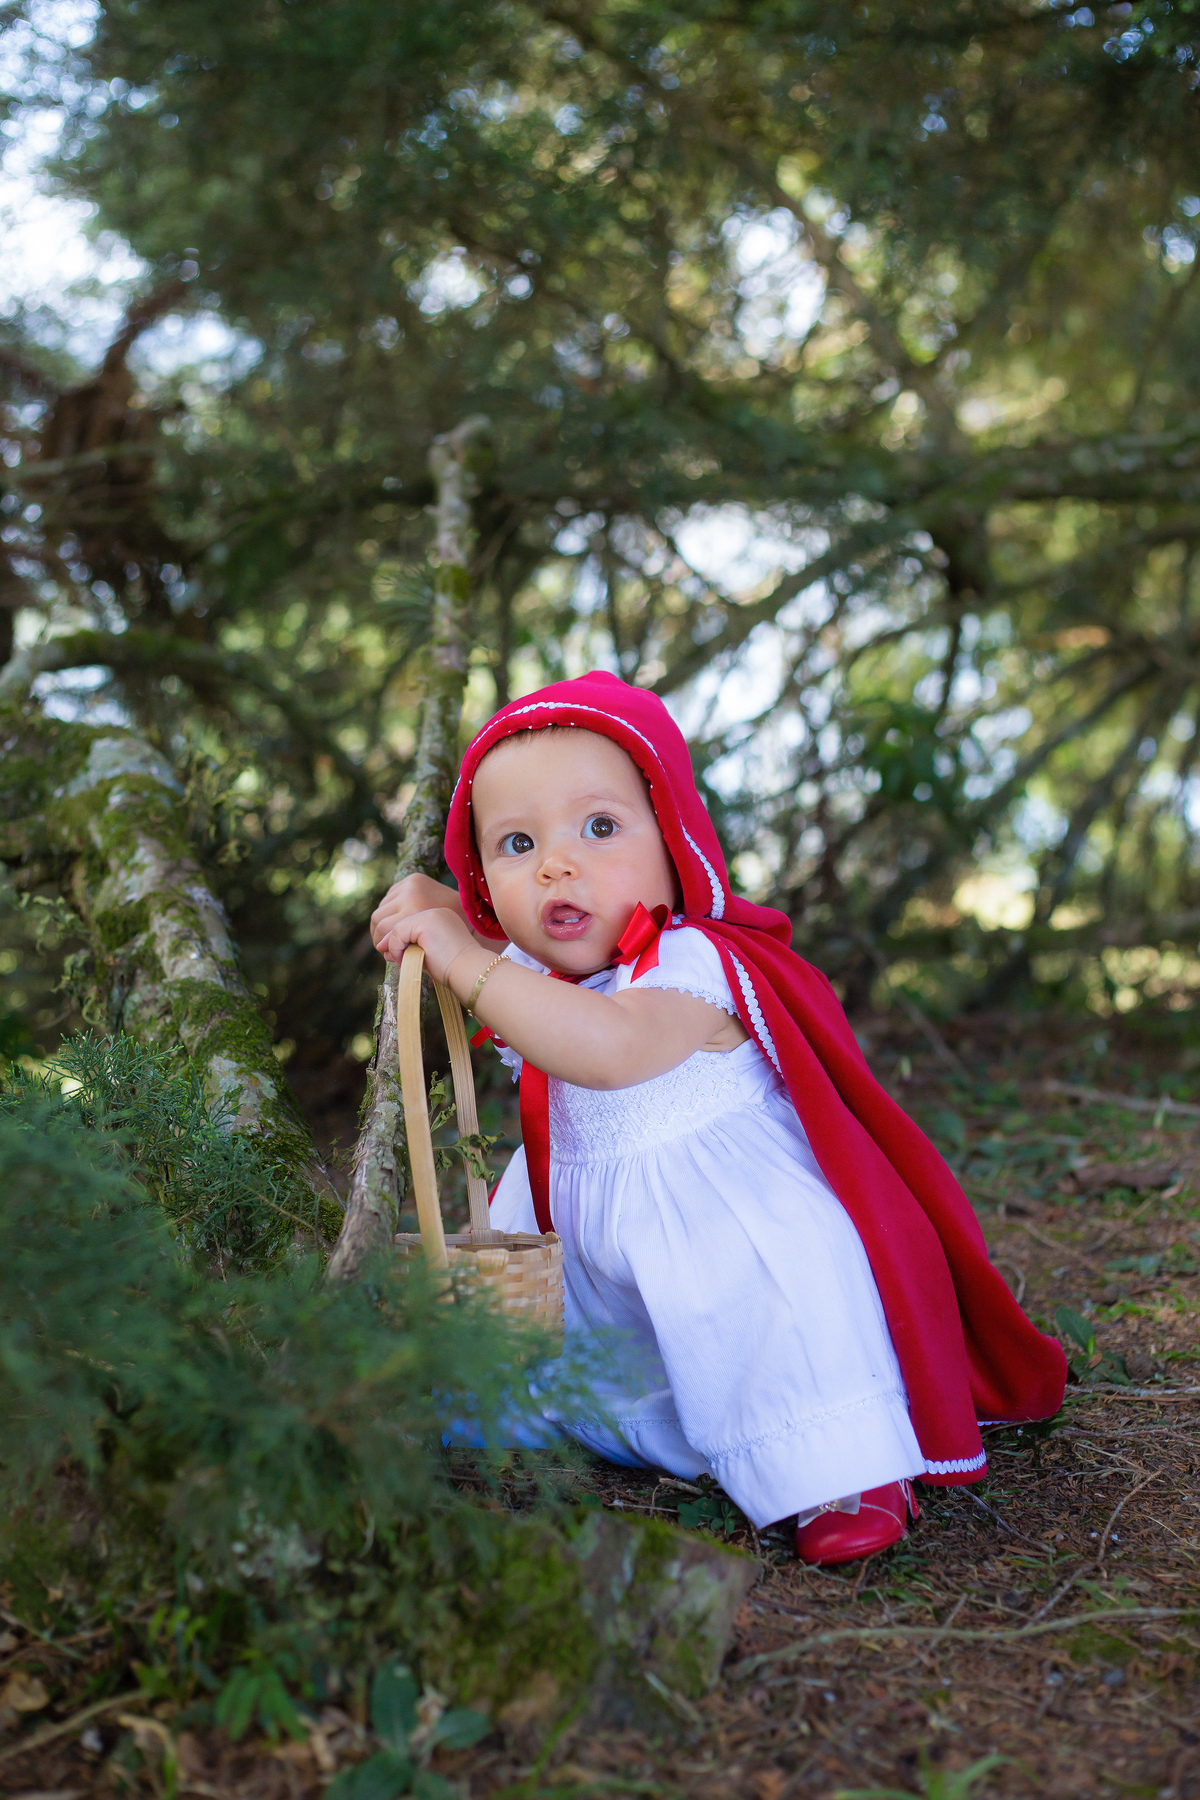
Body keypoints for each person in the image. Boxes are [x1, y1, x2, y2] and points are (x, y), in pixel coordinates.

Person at [370, 671, 1066, 1565]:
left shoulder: (691, 962)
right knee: (568, 1315)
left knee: (756, 1306)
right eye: (514, 843)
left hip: (717, 1221)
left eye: (600, 827)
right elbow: (524, 985)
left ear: (674, 841)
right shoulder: (542, 980)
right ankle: (577, 1411)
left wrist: (467, 955)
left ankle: (835, 1461)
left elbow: (609, 1048)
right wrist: (442, 913)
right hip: (597, 1240)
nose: (556, 864)